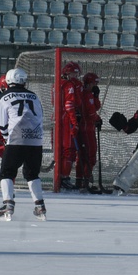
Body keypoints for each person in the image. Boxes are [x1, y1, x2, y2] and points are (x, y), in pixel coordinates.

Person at [0, 68, 46, 221]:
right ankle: (39, 206)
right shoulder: (34, 96)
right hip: (36, 139)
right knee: (32, 174)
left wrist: (6, 137)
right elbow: (41, 116)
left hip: (16, 139)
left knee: (6, 173)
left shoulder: (5, 97)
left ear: (8, 80)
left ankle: (8, 204)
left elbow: (2, 123)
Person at [56, 61, 83, 190]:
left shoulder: (57, 84)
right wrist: (74, 122)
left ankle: (59, 176)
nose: (76, 77)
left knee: (60, 150)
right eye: (73, 74)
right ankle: (64, 177)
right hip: (66, 120)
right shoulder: (69, 85)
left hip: (57, 118)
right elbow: (69, 105)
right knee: (69, 151)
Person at [75, 72, 102, 191]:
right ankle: (85, 180)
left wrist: (96, 96)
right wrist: (98, 119)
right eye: (94, 83)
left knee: (82, 155)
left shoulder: (87, 94)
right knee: (90, 155)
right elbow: (91, 113)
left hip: (84, 128)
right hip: (87, 129)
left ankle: (80, 180)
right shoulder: (86, 95)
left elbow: (95, 107)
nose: (95, 85)